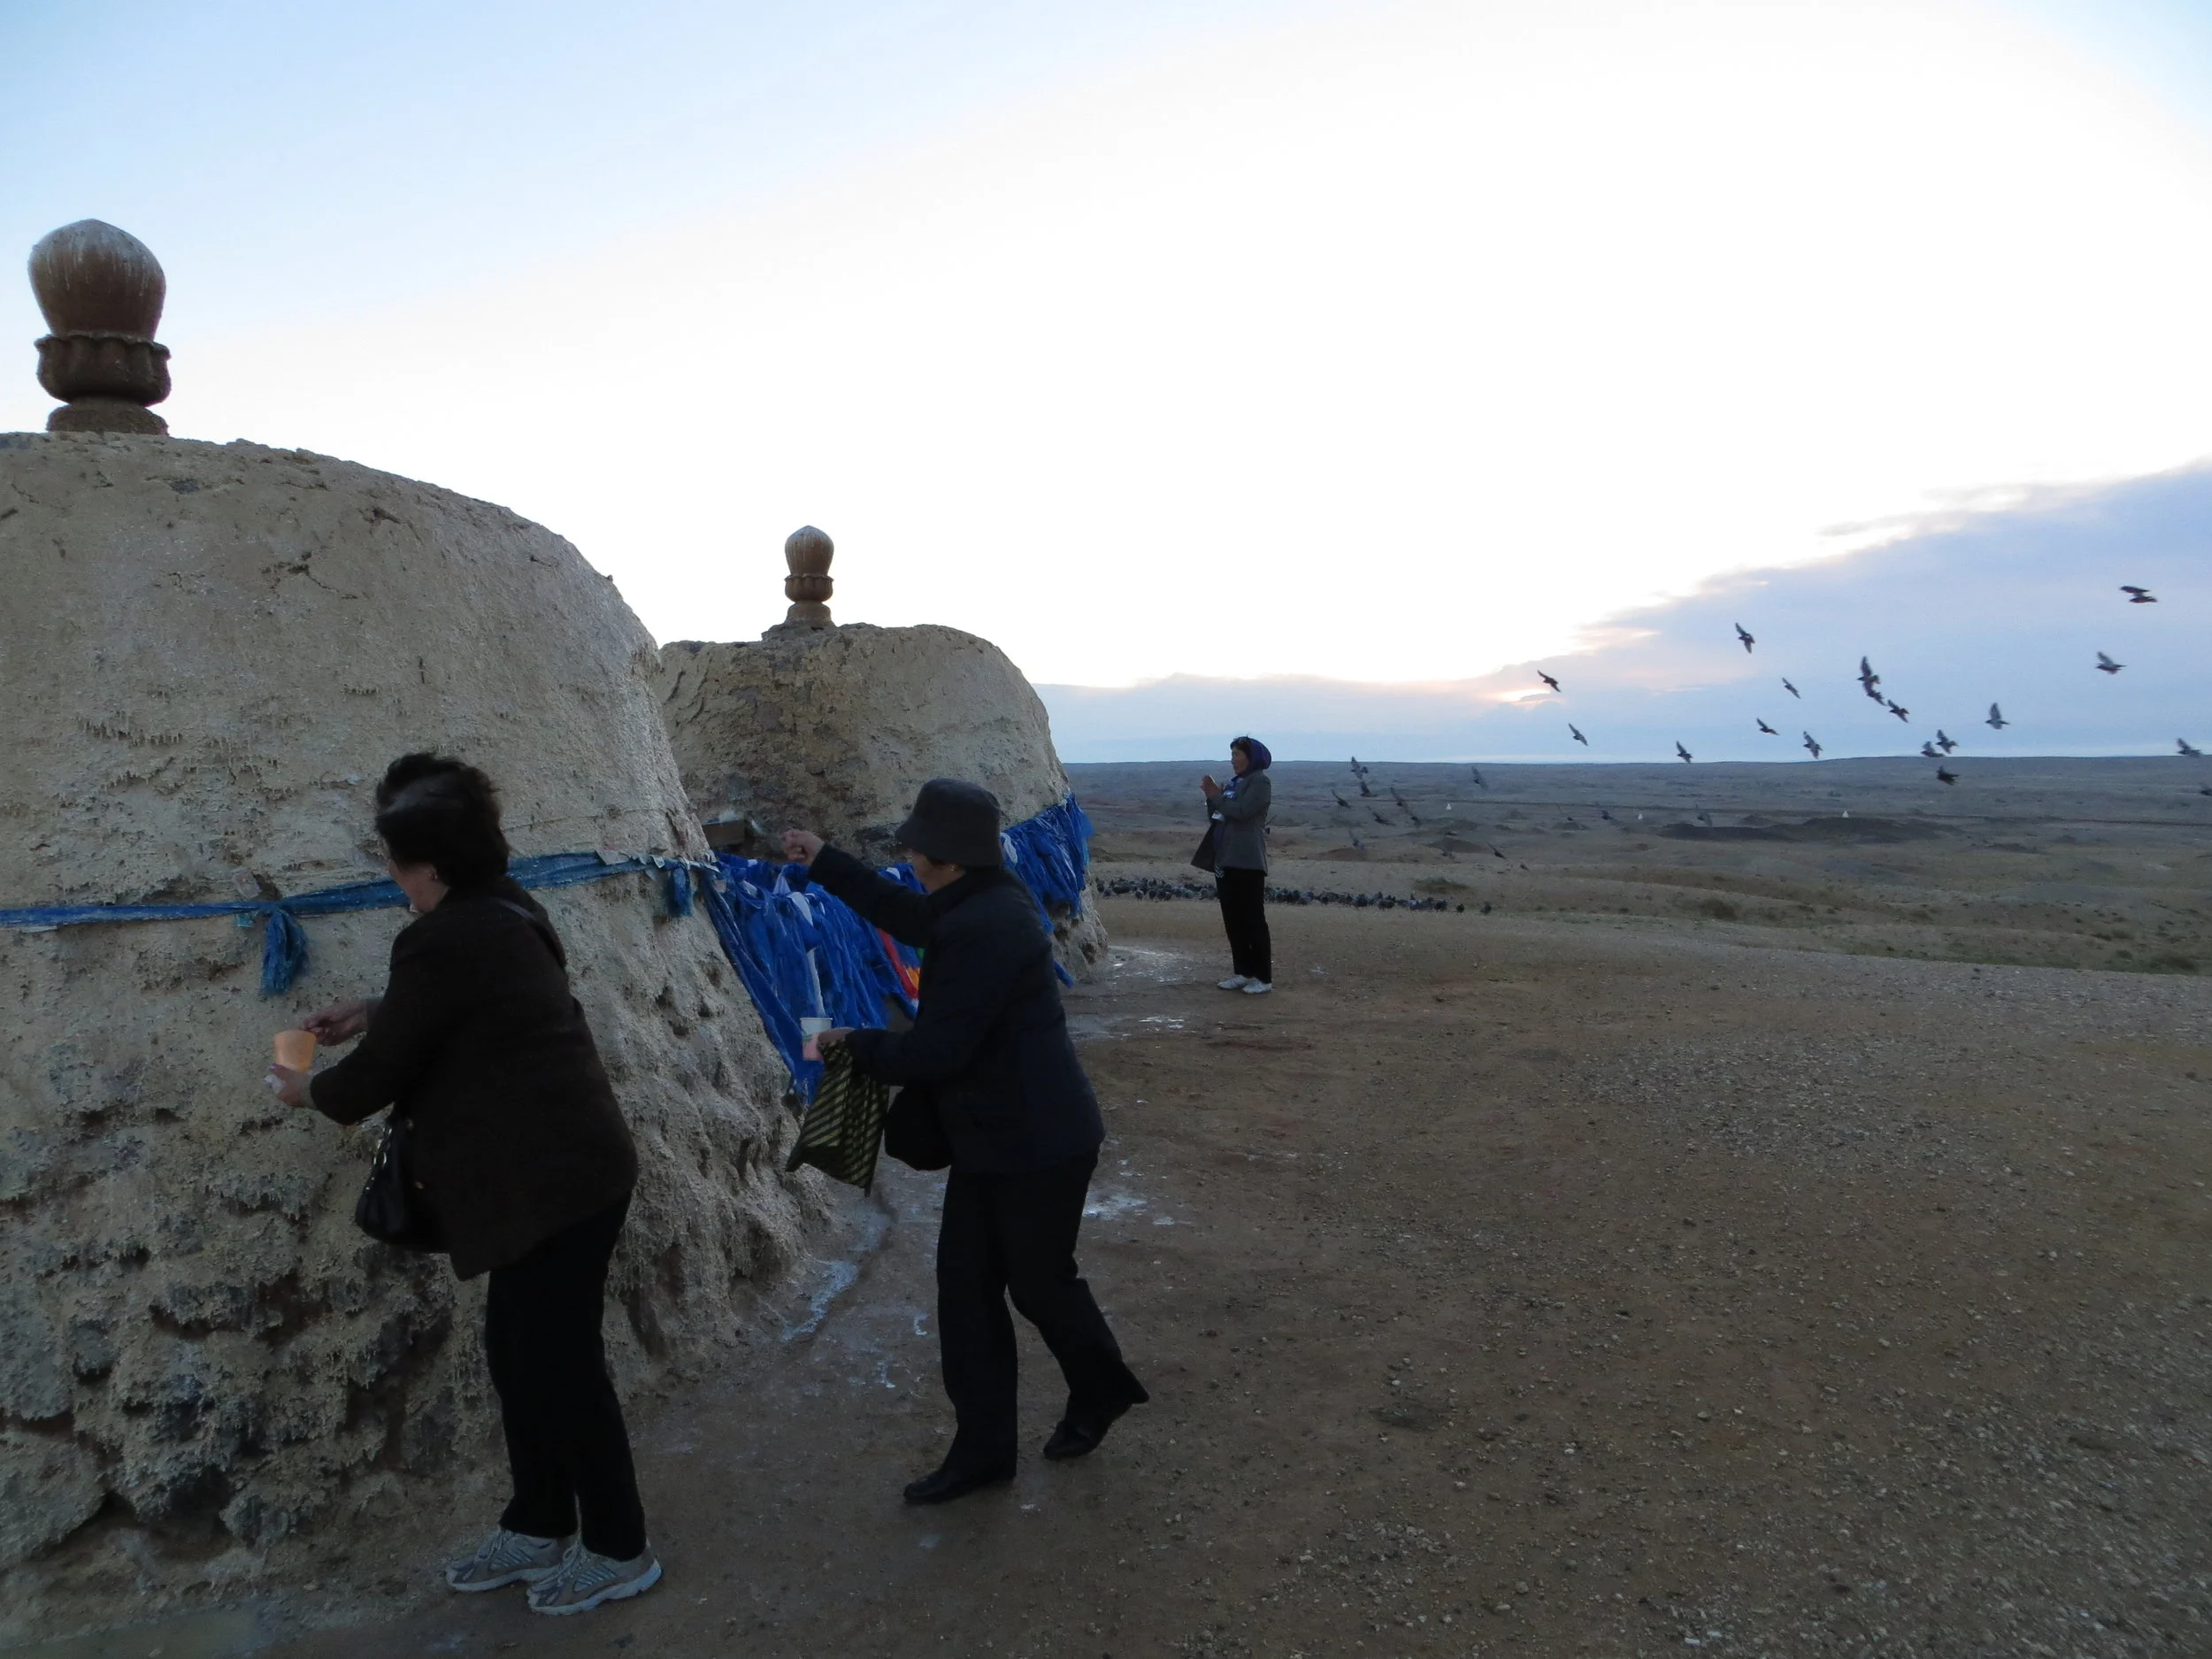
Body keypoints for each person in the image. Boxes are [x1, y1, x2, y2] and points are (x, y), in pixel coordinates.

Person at [263, 753, 660, 1617]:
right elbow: (449, 1003)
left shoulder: (444, 937)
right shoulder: (500, 910)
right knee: (519, 1354)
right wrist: (377, 1007)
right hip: (562, 1173)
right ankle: (539, 1519)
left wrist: (305, 1090)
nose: (394, 877)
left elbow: (369, 1083)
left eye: (397, 863)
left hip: (555, 1183)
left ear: (430, 868)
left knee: (559, 1365)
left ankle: (619, 1545)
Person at [781, 779, 1147, 1504]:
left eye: (916, 844)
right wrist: (826, 860)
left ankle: (1101, 1389)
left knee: (1040, 1284)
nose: (908, 853)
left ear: (946, 855)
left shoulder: (989, 925)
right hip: (996, 1137)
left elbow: (937, 1054)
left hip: (1039, 1143)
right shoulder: (978, 896)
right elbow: (910, 916)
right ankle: (984, 1451)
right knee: (968, 1291)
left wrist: (852, 1041)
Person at [1204, 735, 1273, 995]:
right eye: (1232, 754)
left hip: (1247, 860)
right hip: (1226, 858)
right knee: (1233, 919)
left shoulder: (1260, 782)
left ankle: (1263, 977)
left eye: (1237, 754)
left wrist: (1217, 797)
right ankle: (1243, 972)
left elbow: (1243, 811)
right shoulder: (1234, 784)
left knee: (1253, 919)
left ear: (1250, 757)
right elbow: (1218, 816)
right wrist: (1212, 798)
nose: (1233, 760)